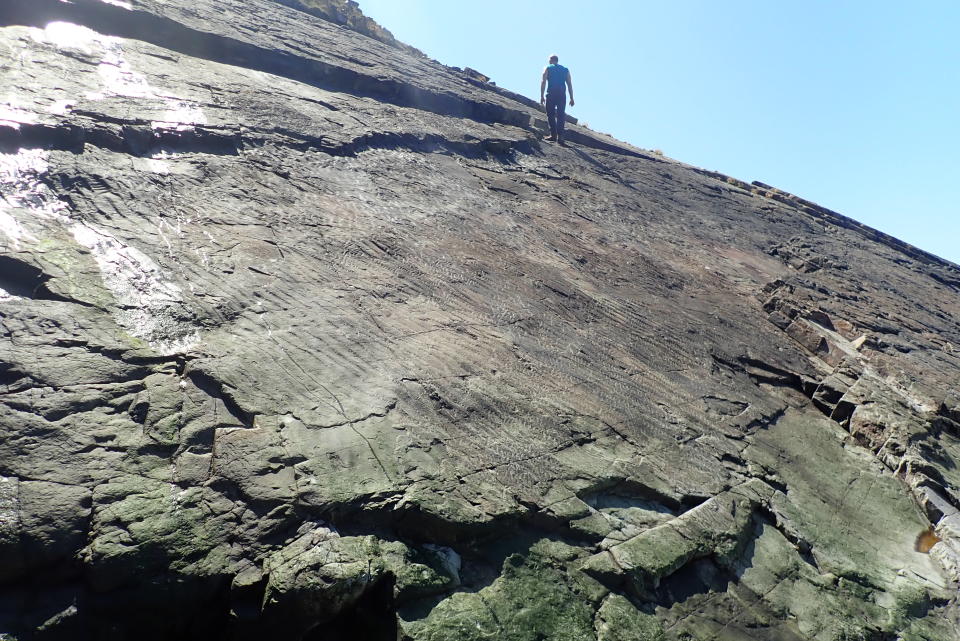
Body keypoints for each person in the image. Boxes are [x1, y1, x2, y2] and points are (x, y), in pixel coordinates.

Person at [540, 54, 574, 144]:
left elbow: (543, 81)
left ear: (550, 60)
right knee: (561, 115)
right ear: (557, 60)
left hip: (551, 93)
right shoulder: (565, 70)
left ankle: (553, 135)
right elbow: (569, 84)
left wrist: (542, 96)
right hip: (562, 94)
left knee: (550, 114)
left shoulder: (547, 67)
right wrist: (571, 98)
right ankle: (561, 137)